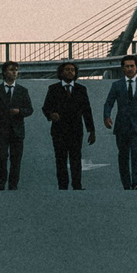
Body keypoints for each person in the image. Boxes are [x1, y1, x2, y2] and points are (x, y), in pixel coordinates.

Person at [102, 53, 137, 190]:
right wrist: (106, 117)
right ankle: (126, 184)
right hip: (122, 127)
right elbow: (109, 103)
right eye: (127, 66)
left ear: (136, 68)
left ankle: (135, 182)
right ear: (123, 69)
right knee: (123, 156)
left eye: (132, 66)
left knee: (136, 154)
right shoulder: (117, 85)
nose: (130, 69)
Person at [42, 61, 96, 190]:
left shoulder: (81, 89)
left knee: (76, 158)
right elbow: (45, 107)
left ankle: (77, 185)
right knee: (60, 159)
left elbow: (87, 111)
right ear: (61, 72)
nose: (70, 72)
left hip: (76, 130)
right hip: (58, 130)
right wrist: (51, 115)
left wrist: (91, 130)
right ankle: (63, 185)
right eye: (67, 69)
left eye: (72, 70)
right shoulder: (53, 89)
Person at [0, 60, 33, 190]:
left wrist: (20, 111)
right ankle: (2, 181)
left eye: (16, 70)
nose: (14, 72)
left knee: (16, 159)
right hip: (1, 129)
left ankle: (13, 183)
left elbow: (29, 109)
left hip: (17, 130)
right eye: (12, 70)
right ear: (4, 72)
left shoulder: (22, 91)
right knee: (1, 157)